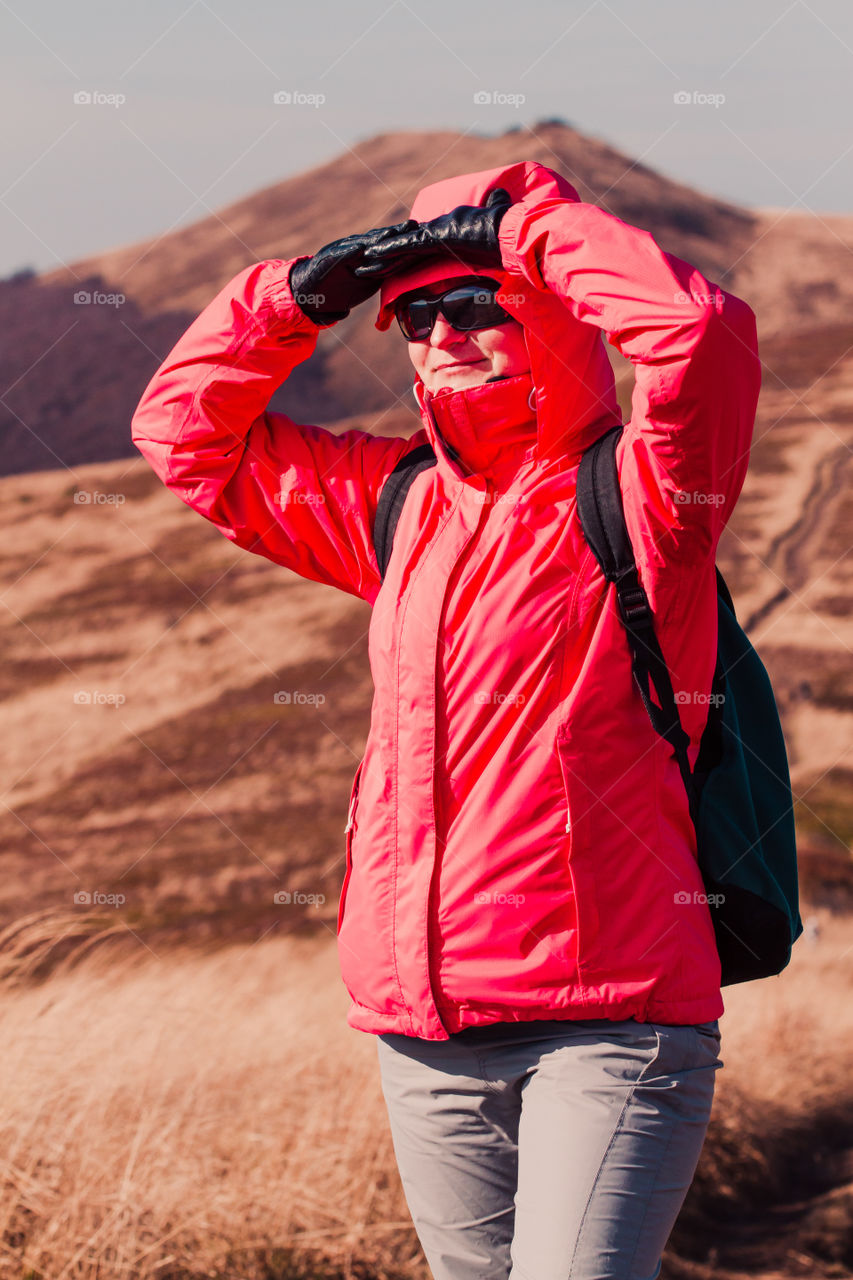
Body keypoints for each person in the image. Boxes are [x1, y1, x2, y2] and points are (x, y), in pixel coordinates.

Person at [131, 159, 761, 1279]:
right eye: (418, 313)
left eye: (480, 307)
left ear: (549, 307)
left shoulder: (648, 495)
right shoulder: (398, 502)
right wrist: (292, 297)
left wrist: (529, 234)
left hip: (610, 1023)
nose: (445, 333)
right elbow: (186, 436)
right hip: (422, 1033)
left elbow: (697, 336)